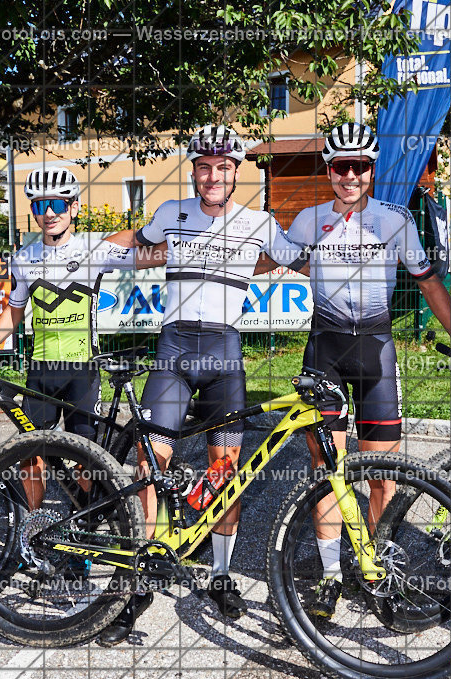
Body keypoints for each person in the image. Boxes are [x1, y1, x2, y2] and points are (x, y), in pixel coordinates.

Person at [95, 124, 306, 647]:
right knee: (151, 462)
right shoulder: (171, 213)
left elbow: (294, 256)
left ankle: (220, 575)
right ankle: (140, 577)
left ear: (237, 173)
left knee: (225, 471)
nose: (214, 176)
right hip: (172, 350)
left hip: (224, 352)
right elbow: (136, 243)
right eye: (205, 167)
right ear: (193, 171)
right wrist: (84, 247)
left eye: (224, 167)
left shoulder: (259, 221)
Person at [285, 122, 451, 620]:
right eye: (340, 167)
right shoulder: (309, 220)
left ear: (372, 171)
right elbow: (274, 260)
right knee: (326, 474)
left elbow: (429, 283)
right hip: (324, 354)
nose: (350, 176)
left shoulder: (395, 220)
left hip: (376, 354)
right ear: (328, 172)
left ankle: (374, 569)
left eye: (359, 167)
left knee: (383, 477)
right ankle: (332, 577)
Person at [0, 167, 158, 508]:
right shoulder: (23, 259)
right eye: (39, 206)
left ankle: (82, 529)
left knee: (86, 456)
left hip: (83, 370)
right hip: (41, 371)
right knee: (29, 454)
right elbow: (14, 312)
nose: (48, 213)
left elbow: (153, 255)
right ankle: (30, 533)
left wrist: (189, 239)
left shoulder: (96, 250)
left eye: (56, 204)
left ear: (74, 208)